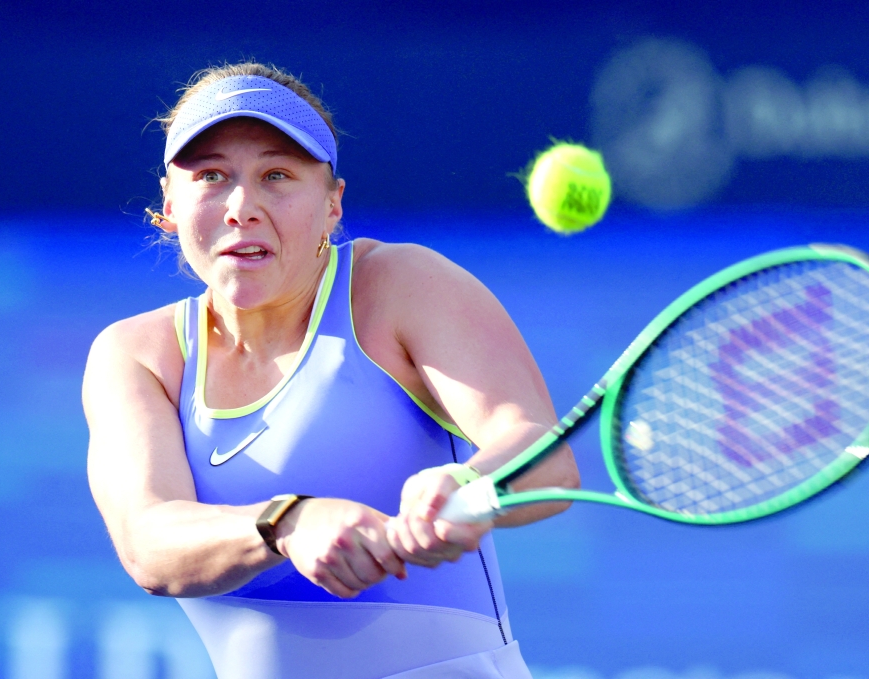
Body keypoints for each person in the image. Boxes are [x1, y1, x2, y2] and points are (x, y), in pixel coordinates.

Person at [83, 62, 580, 679]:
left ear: (332, 205)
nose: (243, 206)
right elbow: (150, 545)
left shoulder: (400, 285)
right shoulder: (135, 355)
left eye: (277, 175)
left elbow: (542, 453)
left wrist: (468, 485)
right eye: (212, 176)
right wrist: (287, 523)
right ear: (169, 206)